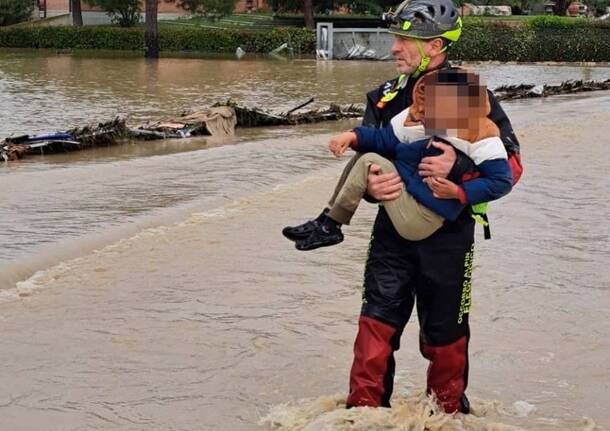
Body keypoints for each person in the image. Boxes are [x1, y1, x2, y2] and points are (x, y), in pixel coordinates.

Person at [285, 0, 522, 414]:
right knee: (376, 323)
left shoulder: (460, 91)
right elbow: (370, 156)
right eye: (395, 38)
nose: (394, 47)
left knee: (444, 334)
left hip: (448, 235)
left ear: (433, 46)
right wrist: (374, 186)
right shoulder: (386, 97)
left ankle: (448, 417)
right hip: (393, 230)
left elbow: (509, 168)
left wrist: (458, 166)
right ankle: (362, 416)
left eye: (404, 39)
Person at [285, 68, 513, 251]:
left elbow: (501, 180)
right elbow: (386, 138)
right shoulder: (421, 118)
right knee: (364, 154)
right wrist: (353, 136)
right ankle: (326, 219)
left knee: (369, 159)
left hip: (424, 219)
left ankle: (331, 225)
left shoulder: (480, 134)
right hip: (411, 197)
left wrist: (459, 192)